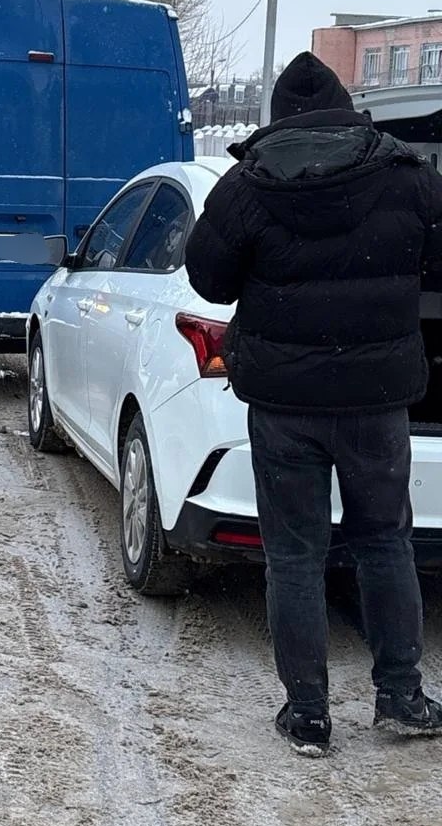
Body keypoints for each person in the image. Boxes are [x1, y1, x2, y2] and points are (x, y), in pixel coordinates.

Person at [185, 51, 442, 755]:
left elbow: (208, 278)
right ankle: (401, 695)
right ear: (345, 107)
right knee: (385, 542)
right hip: (376, 402)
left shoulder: (246, 187)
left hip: (283, 404)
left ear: (277, 120)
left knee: (294, 556)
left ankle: (307, 713)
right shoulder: (407, 180)